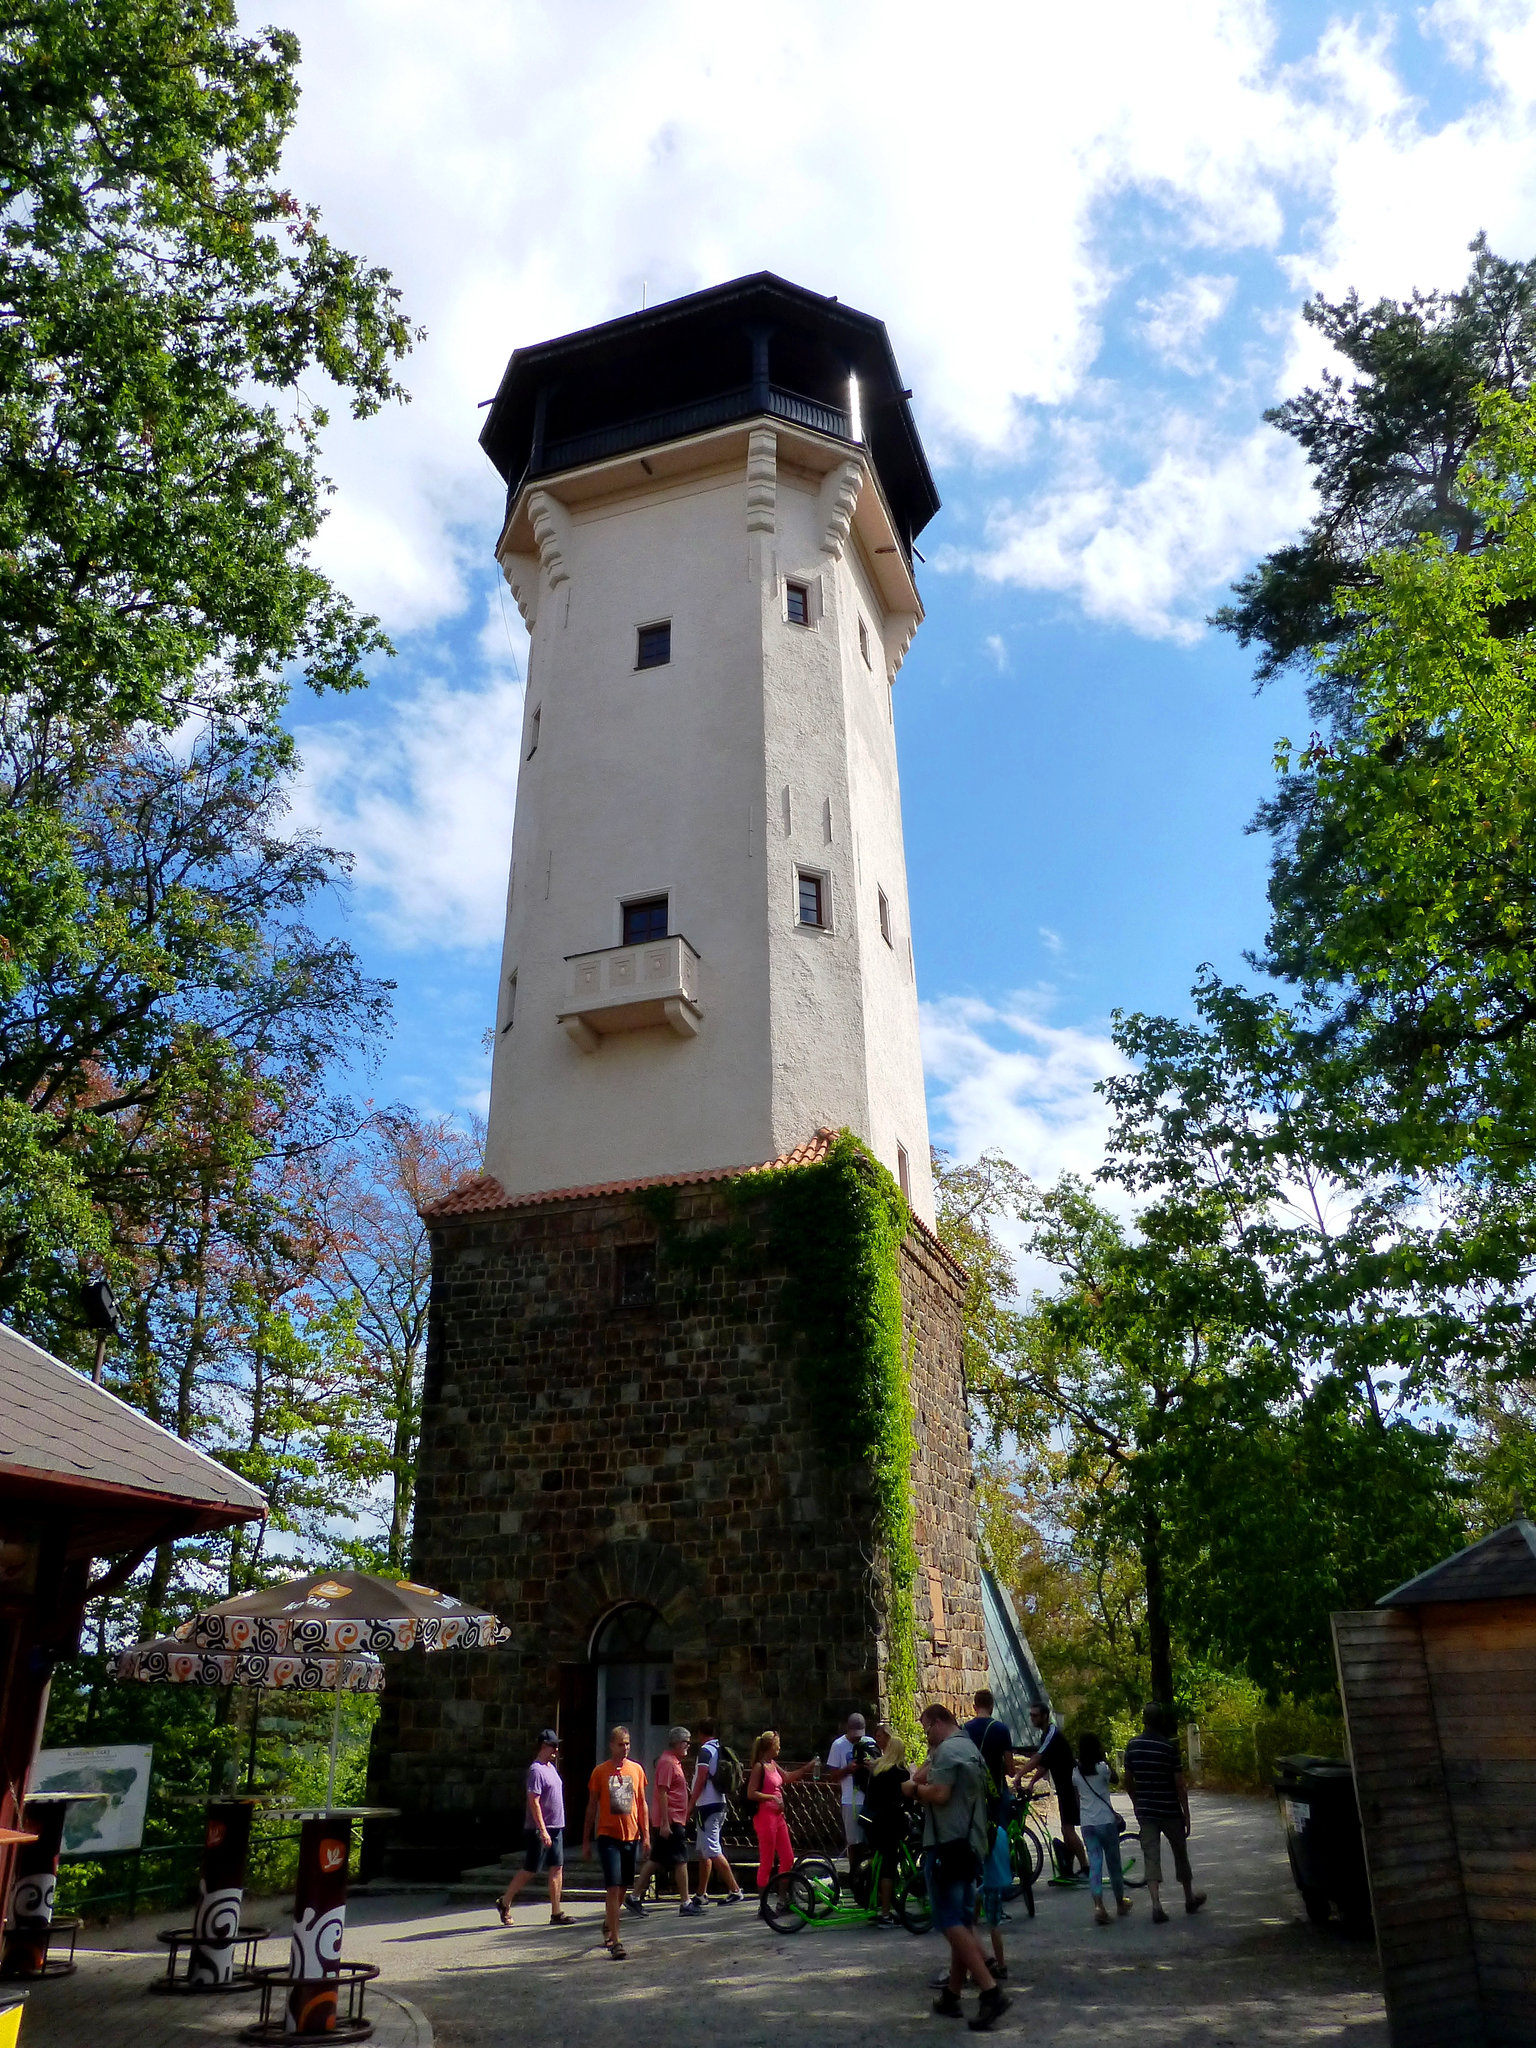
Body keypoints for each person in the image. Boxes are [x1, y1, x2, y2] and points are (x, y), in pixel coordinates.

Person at [903, 1702, 1010, 2032]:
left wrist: (912, 1789)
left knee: (947, 1920)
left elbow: (939, 1792)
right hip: (970, 1844)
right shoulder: (969, 1747)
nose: (925, 1736)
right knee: (962, 1920)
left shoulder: (949, 1750)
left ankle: (990, 1990)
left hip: (948, 1845)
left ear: (937, 1723)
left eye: (925, 1729)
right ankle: (952, 1994)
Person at [1123, 1704, 1206, 1925]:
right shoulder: (1168, 1748)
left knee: (1151, 1856)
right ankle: (1189, 1898)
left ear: (1143, 1720)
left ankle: (1156, 1905)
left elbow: (1127, 1779)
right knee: (1180, 1853)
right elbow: (1180, 1784)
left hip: (1147, 1811)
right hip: (1170, 1810)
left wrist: (1136, 1802)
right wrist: (1186, 1813)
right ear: (1161, 1722)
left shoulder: (1133, 1745)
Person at [495, 1729, 576, 1927]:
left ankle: (556, 1912)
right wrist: (543, 1830)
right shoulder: (536, 1770)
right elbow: (534, 1802)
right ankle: (505, 1901)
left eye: (557, 1746)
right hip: (540, 1829)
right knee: (531, 1869)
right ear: (543, 1746)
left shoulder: (551, 1768)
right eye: (553, 1746)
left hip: (556, 1826)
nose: (556, 1750)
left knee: (557, 1867)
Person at [582, 1724, 650, 1960]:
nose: (625, 1748)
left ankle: (608, 1921)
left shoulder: (637, 1770)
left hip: (631, 1836)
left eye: (628, 1743)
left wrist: (647, 1835)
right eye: (620, 1744)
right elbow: (591, 1807)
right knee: (612, 1885)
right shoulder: (600, 1772)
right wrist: (586, 1841)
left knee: (622, 1887)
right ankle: (616, 1939)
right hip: (607, 1836)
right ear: (611, 1745)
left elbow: (642, 1804)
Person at [626, 1725, 703, 1918]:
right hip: (670, 1821)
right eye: (686, 1742)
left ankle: (634, 1897)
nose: (688, 1746)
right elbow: (662, 1792)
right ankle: (685, 1902)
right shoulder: (667, 1762)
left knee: (656, 1860)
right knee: (681, 1859)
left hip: (672, 1820)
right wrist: (666, 1823)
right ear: (677, 1743)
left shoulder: (673, 1761)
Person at [745, 1730, 816, 1917]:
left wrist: (809, 1766)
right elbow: (751, 1793)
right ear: (770, 1746)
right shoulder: (759, 1767)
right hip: (765, 1817)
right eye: (777, 1744)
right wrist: (771, 1797)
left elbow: (788, 1777)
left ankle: (783, 1899)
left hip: (778, 1817)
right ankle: (763, 1905)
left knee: (787, 1857)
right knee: (767, 1861)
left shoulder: (773, 1764)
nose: (780, 1747)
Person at [1020, 1700, 1087, 1879]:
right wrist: (1032, 1782)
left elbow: (1037, 1758)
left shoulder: (1052, 1734)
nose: (1032, 1718)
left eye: (1035, 1715)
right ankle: (1069, 1870)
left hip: (1070, 1786)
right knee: (1067, 1828)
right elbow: (1044, 1765)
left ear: (1044, 1716)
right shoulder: (1046, 1736)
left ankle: (1086, 1867)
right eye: (1031, 1715)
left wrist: (1019, 1775)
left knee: (1067, 1829)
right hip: (1064, 1787)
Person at [1072, 1731, 1132, 1927]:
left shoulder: (1076, 1772)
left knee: (1095, 1865)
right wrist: (1105, 1758)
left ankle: (1098, 1906)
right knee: (1114, 1864)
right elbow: (1115, 1779)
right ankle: (1120, 1902)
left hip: (1087, 1824)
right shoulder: (1102, 1768)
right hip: (1106, 1822)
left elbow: (1076, 1797)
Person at [687, 1718, 746, 1905]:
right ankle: (701, 1893)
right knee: (704, 1851)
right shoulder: (719, 1748)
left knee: (712, 1849)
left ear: (700, 1733)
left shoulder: (705, 1751)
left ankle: (735, 1890)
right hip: (719, 1803)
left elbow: (701, 1778)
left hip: (707, 1806)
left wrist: (690, 1805)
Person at [859, 1723, 911, 1927]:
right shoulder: (900, 1772)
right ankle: (886, 1912)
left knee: (878, 1862)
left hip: (874, 1823)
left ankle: (875, 1901)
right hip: (891, 1824)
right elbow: (906, 1798)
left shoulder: (879, 1769)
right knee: (889, 1867)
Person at [824, 1711, 877, 1872]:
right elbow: (832, 1776)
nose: (857, 1739)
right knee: (854, 1843)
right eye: (854, 1735)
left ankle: (870, 1875)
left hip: (869, 1798)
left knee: (872, 1841)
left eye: (859, 1735)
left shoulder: (870, 1742)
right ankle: (855, 1874)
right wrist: (847, 1769)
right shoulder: (838, 1745)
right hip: (850, 1801)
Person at [963, 1690, 1016, 1824]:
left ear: (974, 1707)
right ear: (992, 1706)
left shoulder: (963, 1729)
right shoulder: (1001, 1729)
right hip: (996, 1791)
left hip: (971, 1792)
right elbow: (1011, 1770)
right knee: (1001, 1832)